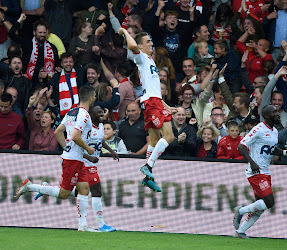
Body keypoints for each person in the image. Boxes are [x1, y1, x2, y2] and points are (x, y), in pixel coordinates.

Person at [15, 86, 99, 232]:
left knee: (84, 189)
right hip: (73, 160)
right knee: (64, 194)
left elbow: (59, 132)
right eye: (95, 96)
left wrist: (67, 147)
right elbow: (75, 136)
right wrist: (88, 148)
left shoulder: (71, 112)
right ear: (91, 97)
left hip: (76, 159)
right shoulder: (84, 115)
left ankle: (83, 225)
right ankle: (31, 187)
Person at [118, 28, 176, 192]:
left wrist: (166, 106)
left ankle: (148, 177)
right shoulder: (141, 58)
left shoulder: (150, 61)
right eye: (148, 41)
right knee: (169, 136)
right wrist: (125, 31)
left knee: (154, 140)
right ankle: (148, 166)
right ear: (141, 46)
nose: (152, 44)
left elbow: (153, 91)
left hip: (154, 102)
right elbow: (132, 46)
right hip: (152, 104)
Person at [233, 105, 287, 238]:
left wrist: (285, 152)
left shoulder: (274, 131)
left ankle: (240, 232)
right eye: (274, 112)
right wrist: (252, 163)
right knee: (269, 202)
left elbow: (272, 149)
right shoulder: (258, 129)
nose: (277, 114)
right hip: (256, 172)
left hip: (266, 171)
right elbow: (241, 146)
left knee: (260, 207)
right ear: (267, 116)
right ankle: (240, 211)